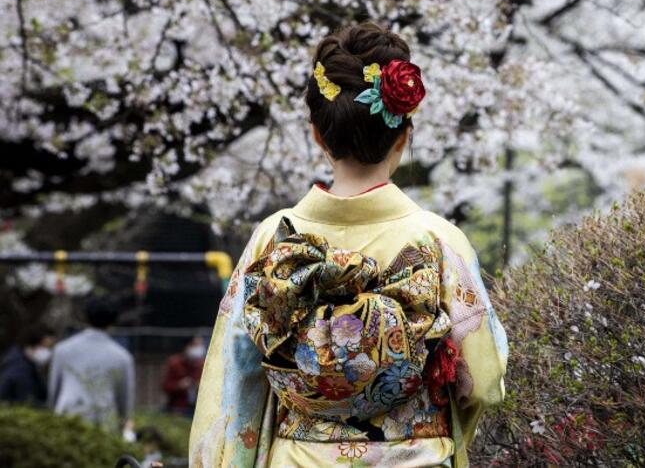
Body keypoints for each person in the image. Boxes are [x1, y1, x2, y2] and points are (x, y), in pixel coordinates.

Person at [191, 23, 508, 468]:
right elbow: (484, 379)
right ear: (404, 135)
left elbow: (233, 375)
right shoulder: (437, 240)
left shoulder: (272, 237)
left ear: (318, 135)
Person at [48, 296, 135, 435]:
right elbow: (124, 397)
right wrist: (123, 420)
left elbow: (54, 389)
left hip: (67, 416)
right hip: (104, 420)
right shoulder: (122, 356)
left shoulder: (63, 349)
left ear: (86, 318)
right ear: (113, 320)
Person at [0, 325, 55, 405]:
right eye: (46, 347)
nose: (48, 352)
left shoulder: (26, 363)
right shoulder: (19, 368)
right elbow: (27, 401)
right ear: (33, 345)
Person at [161, 335, 206, 415]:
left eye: (200, 345)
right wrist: (179, 385)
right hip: (178, 408)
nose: (198, 349)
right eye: (195, 345)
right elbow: (165, 386)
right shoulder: (174, 363)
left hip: (199, 409)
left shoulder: (203, 365)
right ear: (187, 346)